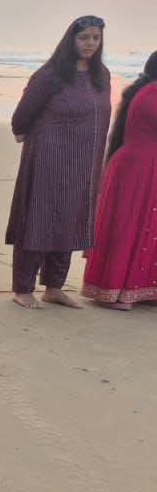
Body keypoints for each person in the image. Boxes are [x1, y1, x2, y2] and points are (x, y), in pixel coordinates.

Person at [5, 15, 113, 309]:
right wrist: (23, 133)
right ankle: (23, 288)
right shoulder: (51, 75)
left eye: (95, 38)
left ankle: (54, 287)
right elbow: (22, 115)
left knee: (70, 218)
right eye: (84, 38)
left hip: (84, 164)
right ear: (71, 40)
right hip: (48, 161)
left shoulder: (100, 75)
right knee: (39, 218)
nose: (90, 43)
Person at [82, 52, 157, 308]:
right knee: (129, 226)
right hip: (138, 169)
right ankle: (115, 290)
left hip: (144, 167)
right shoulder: (150, 94)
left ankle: (143, 290)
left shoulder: (146, 90)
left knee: (148, 228)